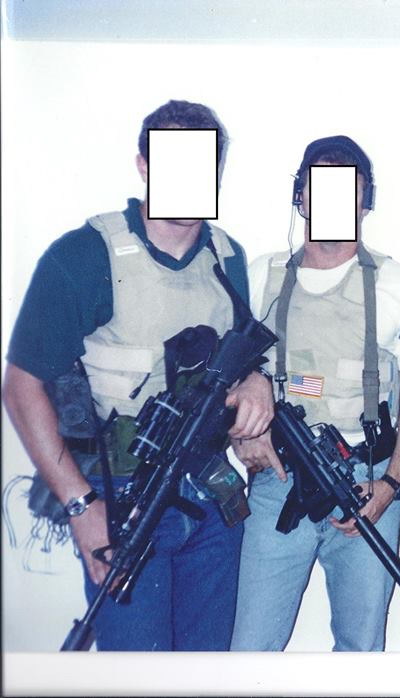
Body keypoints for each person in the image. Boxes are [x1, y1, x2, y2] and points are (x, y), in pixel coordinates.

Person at [2, 99, 274, 651]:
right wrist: (81, 508)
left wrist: (257, 382)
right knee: (137, 673)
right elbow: (21, 386)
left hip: (211, 495)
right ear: (144, 166)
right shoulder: (85, 254)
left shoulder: (227, 256)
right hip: (123, 497)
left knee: (205, 675)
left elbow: (240, 355)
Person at [229, 136, 400, 652]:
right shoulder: (260, 276)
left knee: (360, 651)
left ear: (366, 201)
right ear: (301, 196)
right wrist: (240, 432)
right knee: (251, 650)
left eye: (348, 189)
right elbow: (223, 373)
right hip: (277, 481)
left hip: (366, 484)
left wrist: (391, 486)